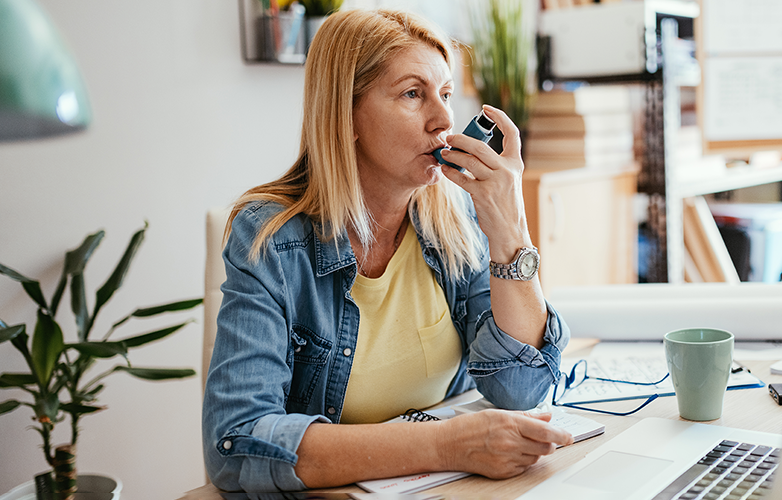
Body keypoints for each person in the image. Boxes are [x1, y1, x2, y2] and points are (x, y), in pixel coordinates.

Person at [202, 8, 573, 492]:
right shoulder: (270, 239)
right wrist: (445, 444)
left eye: (444, 94)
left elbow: (520, 389)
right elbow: (236, 443)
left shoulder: (455, 219)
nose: (443, 121)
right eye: (413, 94)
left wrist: (510, 234)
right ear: (346, 114)